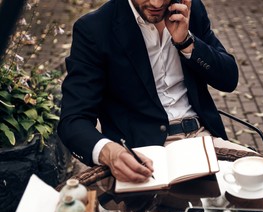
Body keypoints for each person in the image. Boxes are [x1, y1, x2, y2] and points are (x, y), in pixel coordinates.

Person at [58, 0, 251, 184]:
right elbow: (73, 119)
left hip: (204, 138)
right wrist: (108, 151)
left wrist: (187, 43)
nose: (157, 4)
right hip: (143, 154)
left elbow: (229, 79)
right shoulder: (94, 29)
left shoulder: (189, 9)